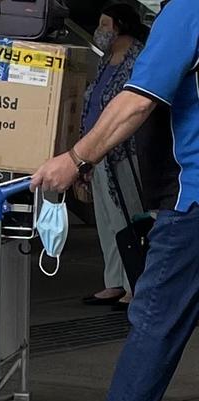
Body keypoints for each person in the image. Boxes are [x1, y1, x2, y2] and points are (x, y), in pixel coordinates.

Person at [32, 0, 199, 401]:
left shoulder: (188, 10)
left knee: (156, 314)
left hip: (193, 199)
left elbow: (138, 100)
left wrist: (76, 159)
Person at [79, 4, 147, 310]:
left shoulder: (139, 58)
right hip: (97, 151)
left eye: (105, 24)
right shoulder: (106, 60)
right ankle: (114, 282)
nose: (100, 31)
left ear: (120, 26)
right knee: (106, 219)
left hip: (123, 152)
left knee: (128, 217)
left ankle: (136, 283)